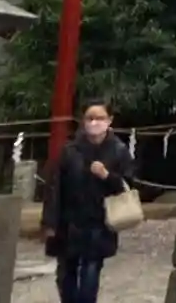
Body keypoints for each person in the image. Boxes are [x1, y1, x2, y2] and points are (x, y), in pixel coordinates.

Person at [42, 100, 134, 303]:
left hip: (99, 221)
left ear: (109, 120)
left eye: (100, 118)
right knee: (66, 272)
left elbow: (128, 186)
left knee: (91, 271)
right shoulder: (70, 150)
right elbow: (54, 187)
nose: (94, 122)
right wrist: (49, 222)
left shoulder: (118, 150)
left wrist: (107, 176)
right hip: (69, 221)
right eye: (90, 118)